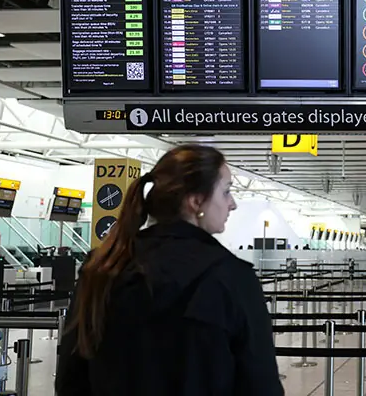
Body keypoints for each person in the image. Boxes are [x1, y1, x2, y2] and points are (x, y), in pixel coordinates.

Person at [56, 145, 284, 396]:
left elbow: (71, 379)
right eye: (226, 192)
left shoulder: (104, 267)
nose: (233, 204)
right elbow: (261, 386)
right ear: (196, 201)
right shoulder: (233, 278)